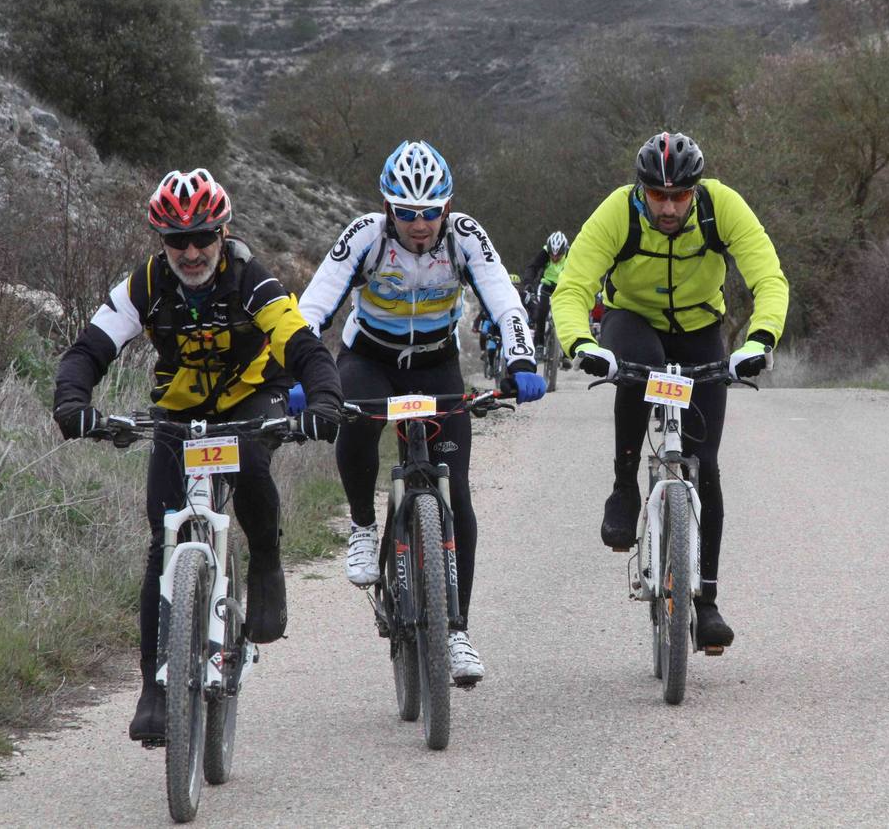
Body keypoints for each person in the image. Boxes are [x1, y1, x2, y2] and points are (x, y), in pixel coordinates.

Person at [52, 168, 343, 742]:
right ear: (161, 242)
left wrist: (325, 399)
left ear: (222, 233)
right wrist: (72, 400)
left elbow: (301, 344)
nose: (191, 252)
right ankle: (155, 689)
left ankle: (266, 561)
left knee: (251, 463)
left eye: (203, 237)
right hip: (179, 409)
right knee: (162, 539)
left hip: (250, 395)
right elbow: (90, 348)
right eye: (177, 240)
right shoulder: (146, 284)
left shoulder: (251, 279)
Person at [297, 140, 545, 683]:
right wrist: (297, 376)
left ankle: (456, 632)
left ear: (446, 207)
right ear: (388, 208)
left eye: (430, 212)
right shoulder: (365, 235)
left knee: (457, 492)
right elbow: (314, 304)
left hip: (436, 365)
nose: (419, 224)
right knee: (353, 420)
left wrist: (522, 358)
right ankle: (363, 525)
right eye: (406, 213)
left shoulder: (465, 236)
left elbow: (504, 299)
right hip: (369, 359)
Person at [550, 131, 789, 648]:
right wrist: (581, 344)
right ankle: (624, 485)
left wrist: (760, 339)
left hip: (701, 328)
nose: (668, 207)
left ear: (695, 191)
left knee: (707, 464)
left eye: (680, 196)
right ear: (641, 189)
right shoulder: (618, 212)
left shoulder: (721, 207)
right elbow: (572, 288)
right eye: (657, 195)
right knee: (642, 367)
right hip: (632, 319)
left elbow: (769, 279)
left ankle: (706, 602)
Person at [523, 231, 570, 355]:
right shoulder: (544, 253)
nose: (554, 258)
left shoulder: (571, 255)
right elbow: (533, 267)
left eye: (558, 255)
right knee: (541, 312)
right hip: (546, 286)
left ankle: (566, 351)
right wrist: (528, 283)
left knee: (567, 315)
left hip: (563, 287)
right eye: (552, 255)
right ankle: (539, 344)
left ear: (564, 251)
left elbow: (580, 271)